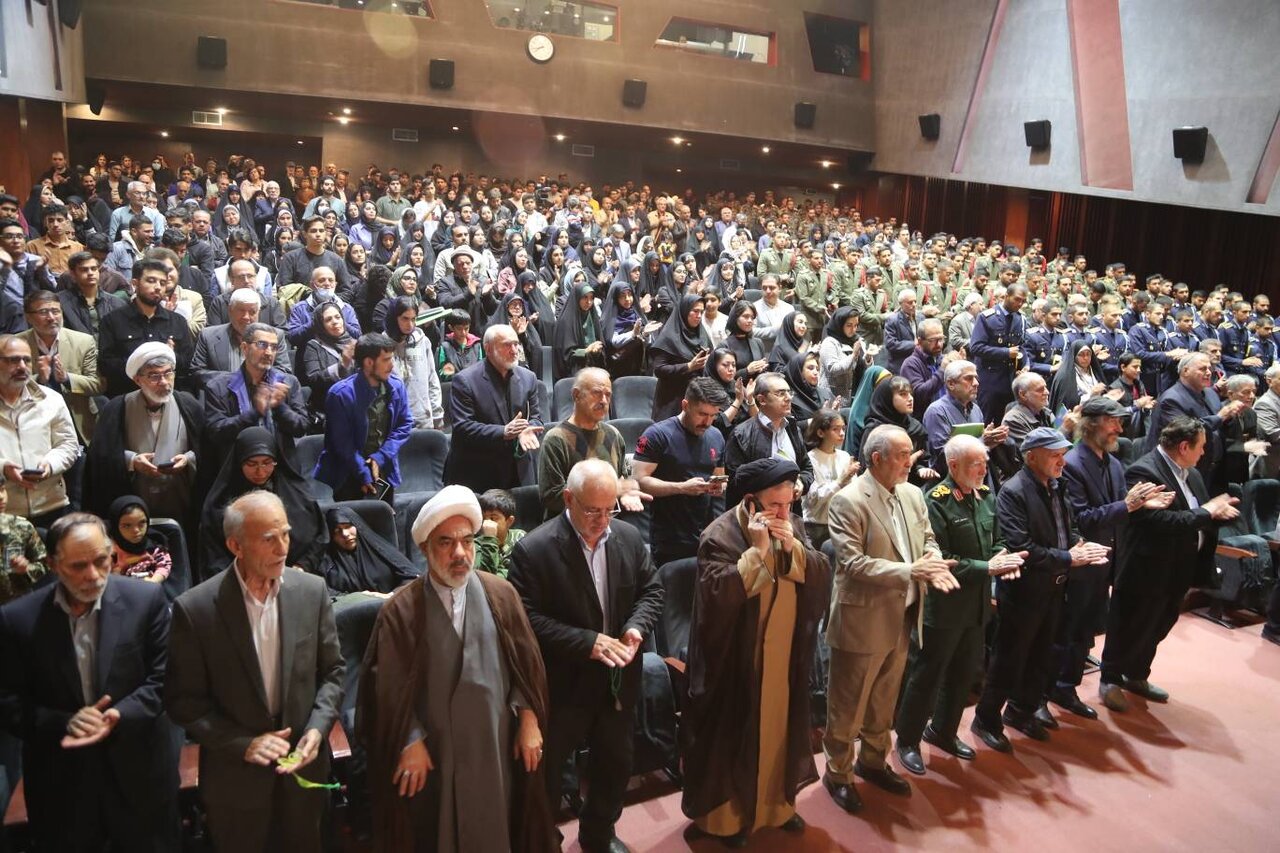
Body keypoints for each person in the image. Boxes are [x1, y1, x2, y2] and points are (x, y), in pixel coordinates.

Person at [355, 485, 557, 852]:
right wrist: (409, 741)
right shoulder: (401, 610)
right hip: (434, 752)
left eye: (467, 541)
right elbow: (387, 689)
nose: (460, 553)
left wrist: (529, 721)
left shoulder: (501, 595)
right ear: (425, 549)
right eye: (446, 543)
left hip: (495, 744)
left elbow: (527, 668)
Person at [166, 491, 344, 851]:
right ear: (236, 546)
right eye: (268, 539)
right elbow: (184, 702)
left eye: (286, 535)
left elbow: (333, 673)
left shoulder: (312, 591)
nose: (282, 548)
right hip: (236, 784)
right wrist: (243, 744)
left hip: (303, 773)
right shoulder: (196, 610)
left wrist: (317, 727)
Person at [0, 513, 180, 852]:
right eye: (78, 566)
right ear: (53, 565)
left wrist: (118, 714)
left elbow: (166, 678)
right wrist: (65, 722)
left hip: (139, 776)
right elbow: (8, 702)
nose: (93, 575)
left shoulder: (145, 601)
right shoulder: (17, 620)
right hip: (63, 787)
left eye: (101, 561)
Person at [508, 460, 663, 853]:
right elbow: (525, 620)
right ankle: (544, 840)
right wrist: (587, 642)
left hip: (617, 679)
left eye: (610, 509)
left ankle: (599, 834)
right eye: (593, 510)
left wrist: (636, 627)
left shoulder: (627, 537)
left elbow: (652, 591)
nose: (603, 520)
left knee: (615, 765)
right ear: (568, 499)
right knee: (548, 774)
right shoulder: (534, 550)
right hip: (564, 683)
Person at [681, 458, 829, 845]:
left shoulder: (791, 524)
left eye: (788, 504)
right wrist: (759, 551)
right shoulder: (719, 535)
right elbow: (717, 596)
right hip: (736, 660)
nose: (783, 513)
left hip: (782, 655)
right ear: (750, 501)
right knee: (731, 739)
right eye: (774, 505)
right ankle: (725, 822)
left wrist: (792, 547)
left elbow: (820, 570)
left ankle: (775, 809)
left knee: (779, 731)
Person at [822, 425, 958, 812]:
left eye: (910, 453)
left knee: (884, 700)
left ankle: (872, 762)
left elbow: (927, 537)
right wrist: (912, 571)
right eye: (901, 455)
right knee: (848, 706)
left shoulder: (913, 494)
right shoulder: (848, 501)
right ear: (877, 458)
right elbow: (853, 564)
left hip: (903, 615)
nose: (909, 461)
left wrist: (933, 561)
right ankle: (838, 773)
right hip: (862, 620)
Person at [970, 428, 1111, 752]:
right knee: (1009, 658)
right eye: (1055, 455)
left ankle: (1021, 710)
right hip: (1024, 591)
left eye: (1063, 454)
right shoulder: (1013, 491)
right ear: (1031, 457)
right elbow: (1022, 547)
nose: (1063, 461)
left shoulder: (1057, 485)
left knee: (1041, 655)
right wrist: (1069, 558)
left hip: (1055, 586)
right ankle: (986, 719)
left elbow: (1068, 526)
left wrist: (1080, 544)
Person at [895, 436, 1025, 775]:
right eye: (975, 464)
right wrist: (988, 567)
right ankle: (907, 740)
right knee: (928, 675)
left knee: (965, 672)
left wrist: (1003, 559)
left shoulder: (985, 495)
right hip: (945, 605)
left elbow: (998, 539)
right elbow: (943, 558)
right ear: (953, 466)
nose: (983, 470)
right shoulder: (936, 501)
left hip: (976, 604)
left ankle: (943, 731)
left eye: (984, 463)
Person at [1099, 416, 1239, 712]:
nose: (1204, 452)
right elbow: (1159, 521)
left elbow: (1198, 514)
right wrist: (1207, 512)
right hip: (1146, 569)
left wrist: (1217, 514)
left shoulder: (1192, 473)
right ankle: (1110, 679)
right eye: (1201, 446)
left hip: (1178, 568)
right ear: (1184, 447)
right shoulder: (1145, 471)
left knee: (1159, 625)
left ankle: (1137, 675)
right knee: (1129, 625)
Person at [1053, 397, 1173, 719]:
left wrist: (1142, 505)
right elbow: (1083, 519)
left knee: (1088, 629)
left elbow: (1118, 511)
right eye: (1112, 421)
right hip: (1083, 563)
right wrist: (1128, 505)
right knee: (1073, 630)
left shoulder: (1114, 464)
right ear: (1091, 424)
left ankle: (1068, 685)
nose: (1119, 428)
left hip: (1109, 561)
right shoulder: (1072, 464)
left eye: (1120, 421)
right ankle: (1061, 688)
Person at [83, 342, 202, 523]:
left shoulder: (189, 405)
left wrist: (188, 459)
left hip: (181, 503)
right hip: (133, 513)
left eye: (168, 373)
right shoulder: (117, 408)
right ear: (137, 380)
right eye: (154, 376)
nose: (164, 382)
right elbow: (99, 458)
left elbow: (207, 452)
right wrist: (131, 461)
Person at [200, 427, 328, 578]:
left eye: (267, 463)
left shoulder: (298, 495)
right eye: (252, 464)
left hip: (298, 577)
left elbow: (320, 537)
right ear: (239, 462)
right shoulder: (218, 506)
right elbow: (215, 558)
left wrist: (302, 566)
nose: (260, 472)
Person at [443, 323, 543, 491]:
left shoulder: (529, 378)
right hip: (478, 473)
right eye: (507, 345)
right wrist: (504, 432)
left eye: (516, 344)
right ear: (488, 349)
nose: (514, 350)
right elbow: (463, 427)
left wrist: (527, 429)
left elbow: (536, 418)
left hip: (518, 470)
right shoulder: (465, 380)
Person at [314, 333, 413, 503]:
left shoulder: (396, 386)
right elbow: (342, 443)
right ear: (368, 362)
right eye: (386, 360)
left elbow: (404, 425)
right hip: (348, 474)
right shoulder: (340, 394)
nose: (391, 365)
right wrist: (363, 473)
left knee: (385, 516)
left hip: (384, 468)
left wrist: (380, 457)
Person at [537, 367, 646, 518]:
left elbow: (622, 479)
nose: (604, 401)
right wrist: (610, 490)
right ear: (576, 395)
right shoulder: (556, 439)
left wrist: (627, 492)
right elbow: (551, 496)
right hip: (569, 525)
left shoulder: (614, 435)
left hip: (607, 521)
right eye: (597, 393)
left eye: (608, 395)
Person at [0, 335, 80, 526]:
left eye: (27, 360)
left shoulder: (51, 400)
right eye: (13, 360)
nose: (22, 366)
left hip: (51, 504)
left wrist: (50, 465)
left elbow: (68, 445)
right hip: (5, 511)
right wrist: (3, 469)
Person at [204, 322, 310, 463]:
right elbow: (215, 433)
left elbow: (301, 428)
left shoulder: (288, 382)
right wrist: (255, 413)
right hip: (238, 464)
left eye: (274, 347)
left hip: (280, 464)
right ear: (245, 348)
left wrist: (280, 408)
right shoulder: (218, 386)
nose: (269, 352)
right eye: (262, 345)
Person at [1145, 352, 1246, 492]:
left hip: (1214, 467)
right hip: (1184, 470)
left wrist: (1230, 417)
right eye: (1202, 369)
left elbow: (1218, 427)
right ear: (1185, 371)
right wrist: (1221, 416)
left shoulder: (1210, 393)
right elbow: (1185, 432)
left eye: (1209, 368)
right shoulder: (1171, 399)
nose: (1209, 372)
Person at [97, 258, 195, 397]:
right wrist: (145, 362)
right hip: (127, 396)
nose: (158, 287)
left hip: (169, 395)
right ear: (135, 283)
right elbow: (106, 365)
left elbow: (188, 364)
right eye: (151, 281)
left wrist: (170, 355)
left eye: (162, 283)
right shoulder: (113, 321)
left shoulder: (177, 321)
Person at [19, 289, 102, 442]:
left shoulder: (83, 342)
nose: (51, 318)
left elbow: (98, 384)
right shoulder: (16, 345)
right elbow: (6, 387)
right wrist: (39, 380)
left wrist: (67, 378)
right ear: (28, 317)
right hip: (31, 420)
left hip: (76, 420)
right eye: (43, 312)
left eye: (55, 311)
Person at [724, 371, 815, 507]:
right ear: (762, 400)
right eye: (781, 393)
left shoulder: (792, 429)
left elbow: (806, 467)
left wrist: (801, 482)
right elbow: (733, 482)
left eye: (789, 392)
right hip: (756, 512)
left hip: (789, 510)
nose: (789, 398)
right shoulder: (741, 433)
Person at [191, 288, 293, 391]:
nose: (246, 317)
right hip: (221, 396)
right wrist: (233, 380)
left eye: (252, 312)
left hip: (261, 395)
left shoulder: (275, 336)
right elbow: (197, 373)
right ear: (230, 310)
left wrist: (256, 382)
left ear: (258, 312)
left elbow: (284, 371)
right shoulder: (208, 336)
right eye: (241, 311)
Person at [922, 359, 1007, 473]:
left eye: (976, 378)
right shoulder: (936, 411)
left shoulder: (976, 409)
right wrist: (982, 441)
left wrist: (991, 442)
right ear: (951, 384)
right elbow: (943, 456)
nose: (976, 383)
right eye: (969, 378)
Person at [317, 504, 418, 598]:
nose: (345, 534)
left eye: (348, 526)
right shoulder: (326, 564)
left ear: (358, 526)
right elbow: (324, 593)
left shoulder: (381, 550)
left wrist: (392, 595)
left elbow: (413, 578)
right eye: (337, 531)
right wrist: (359, 598)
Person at [968, 282, 1029, 423]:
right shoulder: (987, 317)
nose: (1020, 304)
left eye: (1023, 301)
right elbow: (976, 347)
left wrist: (1026, 365)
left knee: (1007, 422)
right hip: (990, 380)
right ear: (1006, 296)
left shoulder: (1020, 319)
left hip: (1011, 380)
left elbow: (1022, 347)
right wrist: (1005, 352)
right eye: (1017, 299)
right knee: (986, 421)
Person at [648, 292, 713, 421]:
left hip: (696, 396)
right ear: (684, 311)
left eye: (701, 312)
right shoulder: (668, 337)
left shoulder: (702, 334)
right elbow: (659, 369)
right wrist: (688, 366)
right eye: (695, 311)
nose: (699, 316)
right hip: (671, 400)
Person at [859, 374, 935, 483]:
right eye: (903, 394)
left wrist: (921, 469)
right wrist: (905, 465)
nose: (910, 398)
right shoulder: (874, 430)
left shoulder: (915, 427)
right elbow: (866, 469)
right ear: (887, 398)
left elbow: (923, 457)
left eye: (910, 393)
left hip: (914, 486)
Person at [385, 296, 444, 429]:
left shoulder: (423, 342)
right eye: (405, 319)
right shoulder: (383, 345)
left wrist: (437, 413)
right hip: (396, 420)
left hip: (423, 417)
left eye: (413, 319)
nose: (410, 325)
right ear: (394, 318)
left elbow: (432, 379)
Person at [801, 409, 858, 548]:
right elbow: (813, 499)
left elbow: (853, 491)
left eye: (843, 428)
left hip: (840, 522)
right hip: (815, 525)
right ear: (821, 433)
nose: (842, 433)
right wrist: (840, 481)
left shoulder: (844, 456)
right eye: (835, 429)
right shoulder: (810, 459)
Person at [107, 495, 173, 583]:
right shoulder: (111, 551)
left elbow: (164, 566)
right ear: (116, 527)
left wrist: (153, 581)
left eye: (142, 523)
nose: (136, 530)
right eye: (127, 526)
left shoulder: (154, 548)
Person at [0, 486, 47, 604]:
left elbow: (45, 564)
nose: (1, 497)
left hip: (17, 603)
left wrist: (26, 568)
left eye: (2, 490)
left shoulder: (22, 527)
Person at [473, 488, 526, 579]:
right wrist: (489, 539)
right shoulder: (475, 545)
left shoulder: (520, 538)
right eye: (483, 518)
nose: (486, 523)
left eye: (493, 518)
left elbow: (522, 574)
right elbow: (486, 578)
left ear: (509, 521)